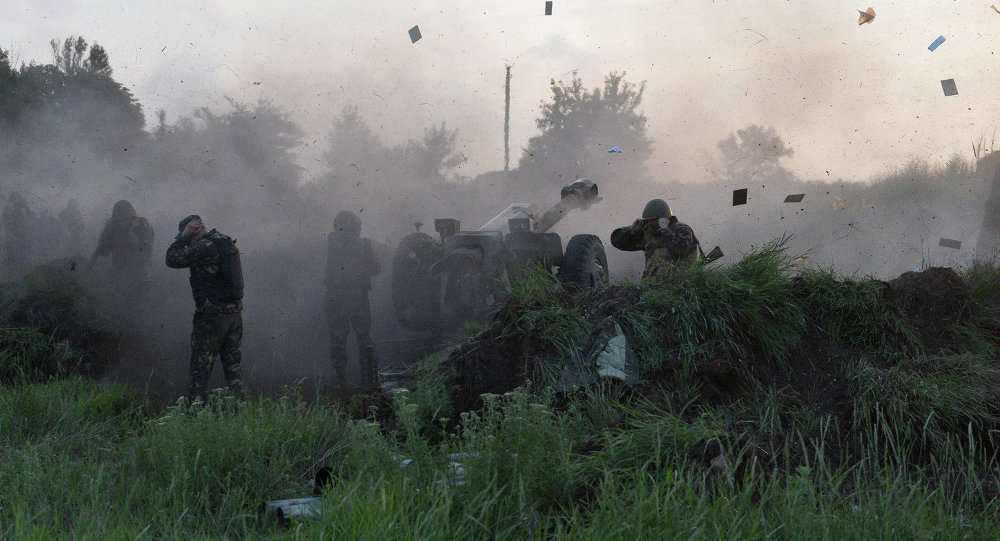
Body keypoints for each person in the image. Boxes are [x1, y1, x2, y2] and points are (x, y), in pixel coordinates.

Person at [165, 215, 244, 401]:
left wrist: (183, 237)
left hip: (212, 318)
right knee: (233, 371)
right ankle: (240, 407)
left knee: (199, 370)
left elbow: (172, 259)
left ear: (194, 230)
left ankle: (195, 410)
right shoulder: (224, 241)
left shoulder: (205, 246)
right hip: (234, 315)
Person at [325, 210, 381, 391]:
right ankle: (369, 380)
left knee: (338, 339)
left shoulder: (330, 242)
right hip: (357, 297)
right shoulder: (363, 245)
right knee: (364, 338)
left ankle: (342, 381)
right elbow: (376, 268)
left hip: (335, 297)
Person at [610, 198, 700, 278]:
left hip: (683, 278)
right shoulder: (649, 232)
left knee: (660, 253)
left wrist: (664, 234)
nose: (651, 225)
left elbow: (681, 248)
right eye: (648, 222)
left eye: (655, 221)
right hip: (657, 281)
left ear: (665, 220)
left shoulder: (681, 229)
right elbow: (617, 242)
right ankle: (650, 285)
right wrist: (631, 231)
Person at [89, 200, 154, 306]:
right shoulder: (112, 226)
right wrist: (89, 266)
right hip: (119, 273)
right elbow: (103, 251)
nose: (122, 220)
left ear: (131, 214)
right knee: (119, 304)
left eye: (125, 216)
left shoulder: (142, 225)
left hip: (139, 275)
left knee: (137, 306)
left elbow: (147, 251)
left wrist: (133, 239)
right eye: (119, 216)